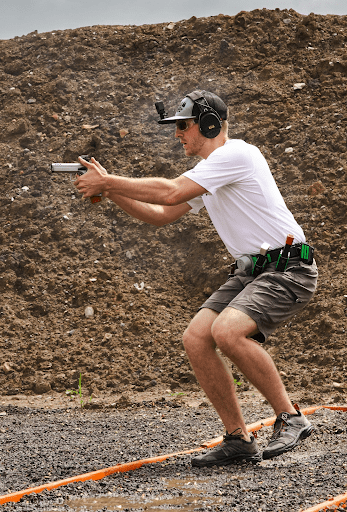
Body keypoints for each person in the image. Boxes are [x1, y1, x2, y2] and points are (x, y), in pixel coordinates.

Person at [74, 90, 318, 466]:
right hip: (255, 270)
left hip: (288, 268)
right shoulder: (212, 171)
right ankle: (238, 439)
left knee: (227, 332)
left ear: (209, 124)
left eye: (184, 126)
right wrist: (109, 189)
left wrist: (109, 182)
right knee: (196, 339)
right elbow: (160, 214)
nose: (177, 135)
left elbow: (171, 193)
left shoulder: (235, 155)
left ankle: (291, 417)